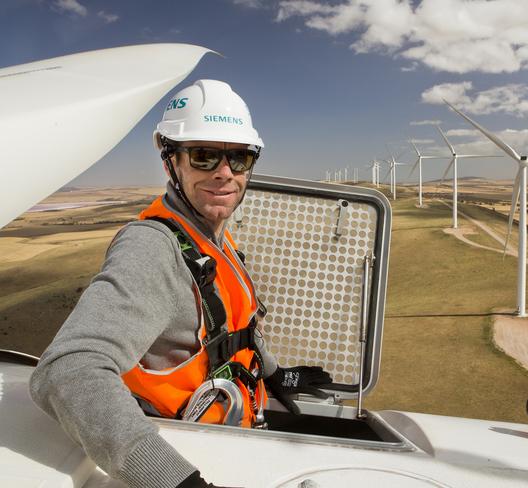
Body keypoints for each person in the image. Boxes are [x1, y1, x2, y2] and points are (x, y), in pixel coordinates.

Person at [30, 79, 332, 488]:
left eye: (239, 158)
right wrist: (176, 482)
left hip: (235, 434)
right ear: (170, 160)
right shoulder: (152, 248)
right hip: (194, 456)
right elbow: (67, 368)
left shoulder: (212, 238)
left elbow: (234, 329)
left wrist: (276, 374)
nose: (225, 174)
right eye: (204, 156)